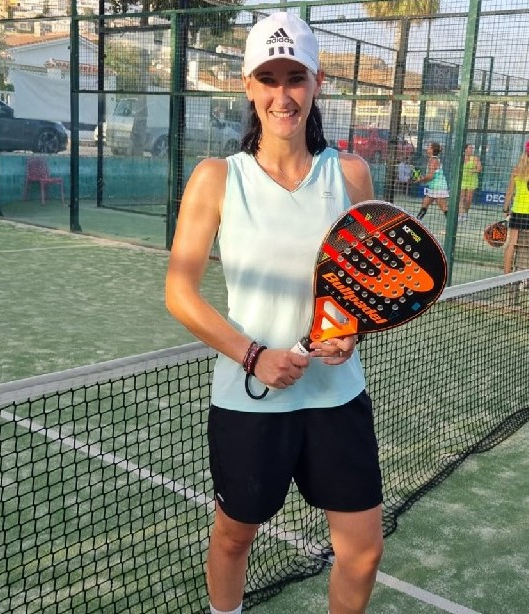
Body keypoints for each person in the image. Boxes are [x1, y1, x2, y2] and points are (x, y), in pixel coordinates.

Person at [165, 12, 383, 614]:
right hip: (249, 401)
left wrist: (352, 331)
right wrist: (254, 356)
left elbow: (364, 287)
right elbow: (179, 292)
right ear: (248, 85)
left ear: (317, 84)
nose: (282, 95)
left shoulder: (350, 174)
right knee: (235, 538)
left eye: (295, 78)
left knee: (363, 551)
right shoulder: (216, 178)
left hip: (337, 397)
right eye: (268, 78)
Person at [503, 140, 529, 273]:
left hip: (517, 211)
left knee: (511, 244)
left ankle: (506, 277)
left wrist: (505, 209)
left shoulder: (516, 170)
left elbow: (509, 192)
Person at [415, 142, 449, 220]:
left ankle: (452, 223)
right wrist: (423, 179)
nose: (427, 148)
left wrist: (421, 179)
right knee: (425, 203)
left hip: (439, 187)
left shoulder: (433, 160)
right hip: (434, 187)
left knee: (444, 208)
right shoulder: (432, 159)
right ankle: (417, 220)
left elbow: (430, 176)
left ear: (432, 150)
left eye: (429, 147)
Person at [459, 144, 482, 221]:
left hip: (472, 181)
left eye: (472, 148)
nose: (471, 149)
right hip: (462, 180)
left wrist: (473, 170)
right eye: (470, 148)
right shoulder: (461, 158)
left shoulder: (475, 158)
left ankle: (465, 213)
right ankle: (460, 214)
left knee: (468, 199)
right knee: (461, 198)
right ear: (465, 149)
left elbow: (479, 169)